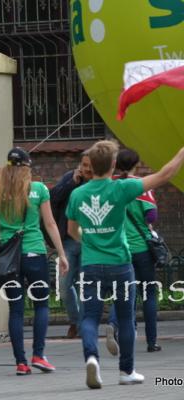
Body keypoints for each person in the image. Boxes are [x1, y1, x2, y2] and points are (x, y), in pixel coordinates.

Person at [66, 140, 184, 389]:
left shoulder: (77, 194)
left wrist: (90, 240)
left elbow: (72, 231)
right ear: (112, 165)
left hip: (91, 265)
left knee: (89, 317)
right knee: (125, 316)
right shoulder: (122, 188)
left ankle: (91, 358)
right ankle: (126, 371)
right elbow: (165, 174)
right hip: (120, 263)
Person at [0, 147, 69, 375]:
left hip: (9, 258)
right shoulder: (38, 189)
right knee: (41, 305)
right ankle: (39, 355)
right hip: (34, 254)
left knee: (15, 310)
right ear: (27, 167)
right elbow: (50, 224)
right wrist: (62, 253)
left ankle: (21, 362)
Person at [106, 149, 161, 354]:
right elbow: (152, 216)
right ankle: (151, 342)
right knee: (148, 294)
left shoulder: (109, 185)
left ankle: (113, 324)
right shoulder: (141, 185)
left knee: (123, 293)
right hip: (142, 249)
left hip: (119, 248)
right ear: (136, 164)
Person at [50, 150, 93, 338]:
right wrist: (71, 183)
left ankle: (83, 325)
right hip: (68, 240)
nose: (87, 169)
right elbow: (54, 199)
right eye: (84, 165)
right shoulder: (70, 178)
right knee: (64, 285)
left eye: (90, 165)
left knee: (85, 285)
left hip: (90, 242)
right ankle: (74, 320)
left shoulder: (99, 182)